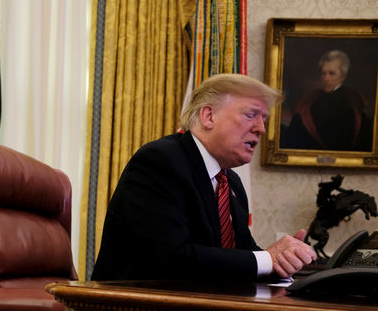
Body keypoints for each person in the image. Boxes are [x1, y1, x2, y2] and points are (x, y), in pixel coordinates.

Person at [91, 73, 316, 282]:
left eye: (263, 119)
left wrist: (283, 262)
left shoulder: (230, 182)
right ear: (208, 116)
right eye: (250, 115)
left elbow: (242, 254)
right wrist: (269, 259)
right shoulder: (160, 162)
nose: (261, 129)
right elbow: (171, 259)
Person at [282, 50, 373, 151]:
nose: (326, 78)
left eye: (331, 73)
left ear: (343, 76)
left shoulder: (353, 101)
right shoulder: (311, 99)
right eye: (323, 73)